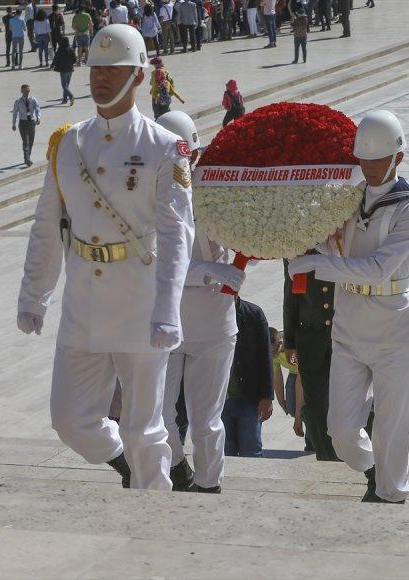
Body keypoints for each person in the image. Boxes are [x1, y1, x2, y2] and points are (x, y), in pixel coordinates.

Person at [16, 24, 195, 490]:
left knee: (144, 426)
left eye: (114, 70)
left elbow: (178, 235)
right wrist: (35, 295)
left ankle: (153, 511)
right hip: (83, 303)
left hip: (140, 300)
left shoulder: (163, 148)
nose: (101, 78)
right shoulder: (68, 143)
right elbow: (46, 226)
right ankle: (126, 464)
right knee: (70, 421)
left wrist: (167, 308)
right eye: (96, 68)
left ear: (138, 77)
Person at [287, 110, 409, 503]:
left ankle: (390, 494)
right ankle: (372, 472)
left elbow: (381, 268)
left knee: (392, 426)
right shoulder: (346, 199)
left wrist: (321, 264)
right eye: (362, 159)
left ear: (398, 158)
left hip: (393, 326)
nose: (367, 167)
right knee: (340, 430)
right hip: (350, 323)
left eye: (377, 160)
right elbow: (332, 242)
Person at [156, 110, 243, 493]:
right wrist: (210, 270)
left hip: (213, 323)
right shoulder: (149, 195)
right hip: (165, 318)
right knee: (156, 414)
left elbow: (244, 242)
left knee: (207, 418)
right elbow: (159, 266)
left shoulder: (217, 191)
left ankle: (209, 485)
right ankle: (178, 469)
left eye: (187, 156)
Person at [282, 259, 339, 462]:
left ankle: (344, 450)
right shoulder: (298, 250)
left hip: (341, 335)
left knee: (342, 397)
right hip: (309, 337)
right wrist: (289, 342)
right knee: (315, 402)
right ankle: (325, 453)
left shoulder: (340, 246)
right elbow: (290, 297)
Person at [223, 298, 274, 458]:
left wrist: (267, 397)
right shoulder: (208, 313)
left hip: (249, 400)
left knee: (251, 453)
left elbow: (265, 357)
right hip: (219, 400)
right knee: (224, 453)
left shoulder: (254, 314)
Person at [271, 328, 310, 449]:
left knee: (305, 409)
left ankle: (311, 437)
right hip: (294, 373)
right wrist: (281, 402)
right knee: (291, 408)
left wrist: (298, 418)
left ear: (280, 344)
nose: (273, 355)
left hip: (307, 373)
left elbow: (301, 381)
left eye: (274, 352)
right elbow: (276, 377)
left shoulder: (292, 348)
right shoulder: (271, 350)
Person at [11, 85, 41, 167]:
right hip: (23, 123)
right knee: (26, 141)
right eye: (25, 91)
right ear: (21, 92)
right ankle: (27, 159)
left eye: (28, 91)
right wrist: (13, 124)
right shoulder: (18, 101)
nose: (27, 93)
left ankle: (27, 157)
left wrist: (38, 118)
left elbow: (37, 109)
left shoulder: (33, 100)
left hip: (31, 122)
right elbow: (14, 113)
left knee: (31, 141)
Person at [51, 36, 77, 106]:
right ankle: (65, 99)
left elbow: (55, 59)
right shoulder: (71, 49)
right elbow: (75, 60)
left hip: (63, 70)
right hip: (70, 70)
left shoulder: (59, 50)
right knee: (66, 85)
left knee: (64, 86)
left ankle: (71, 96)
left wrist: (52, 65)